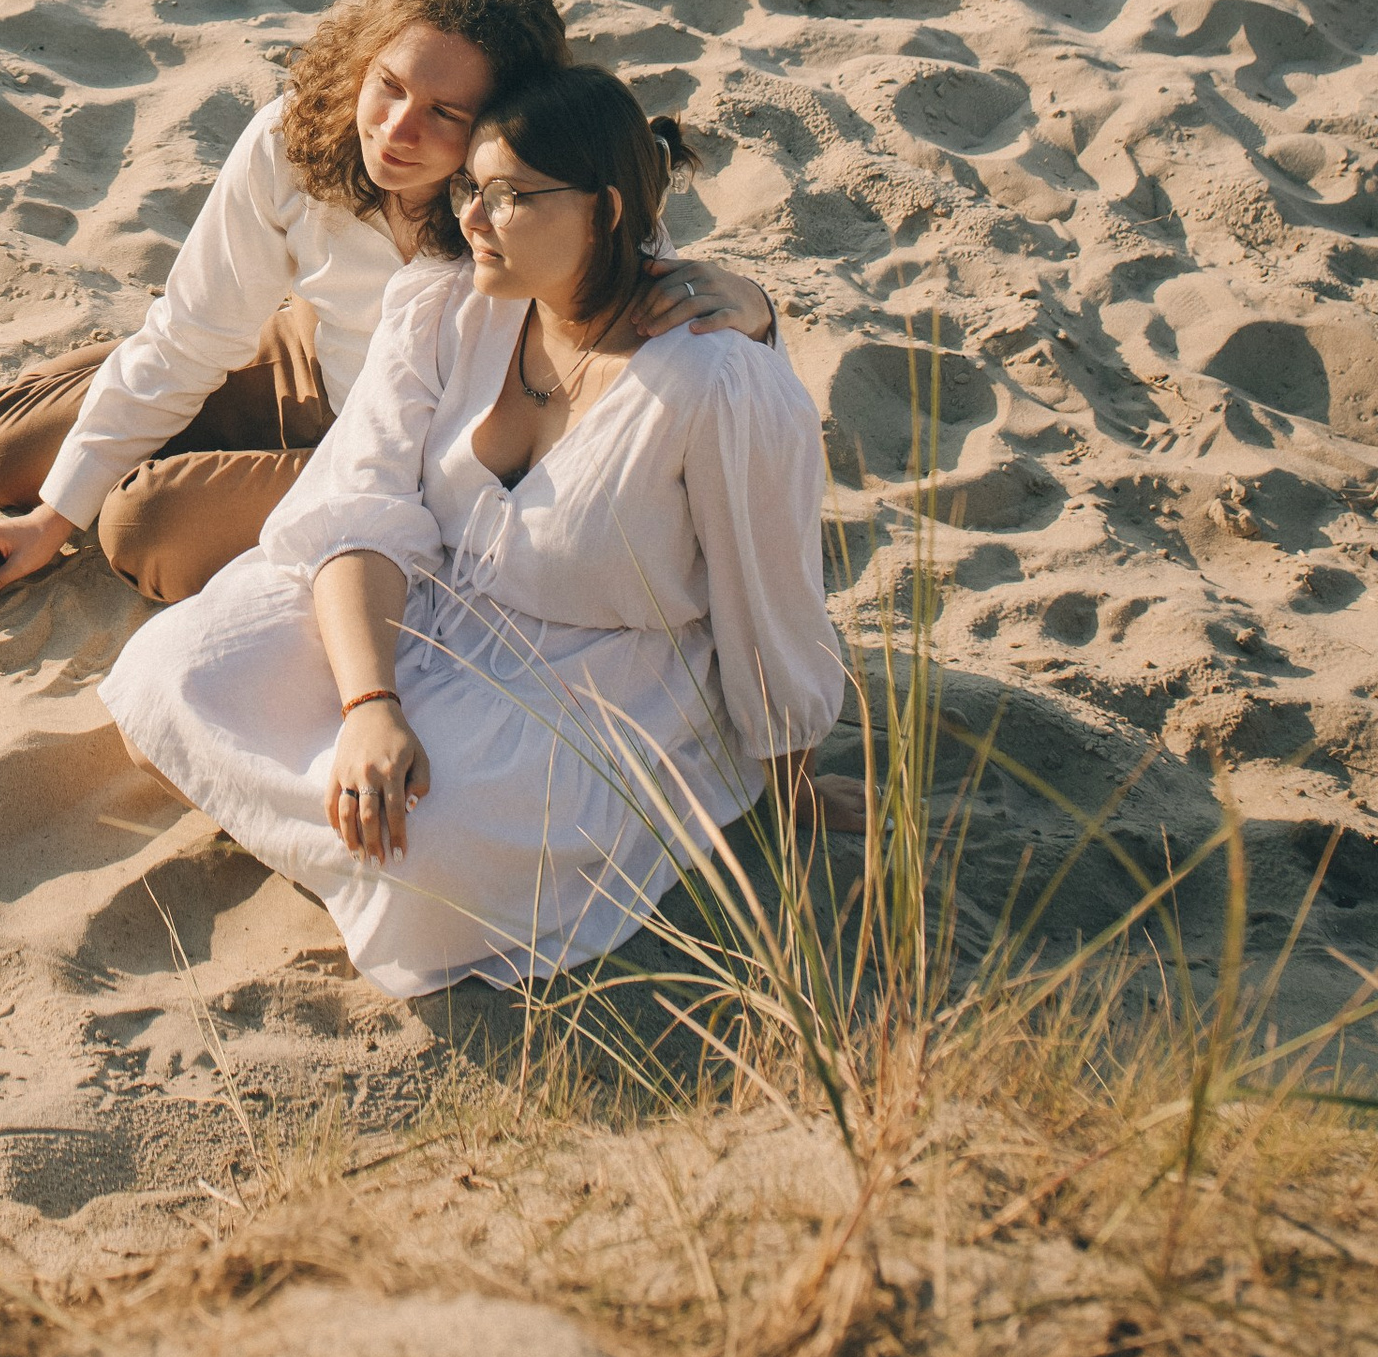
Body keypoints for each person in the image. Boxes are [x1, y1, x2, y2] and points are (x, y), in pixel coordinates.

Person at [98, 64, 849, 1001]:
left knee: (423, 852)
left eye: (507, 198)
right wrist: (370, 703)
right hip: (412, 606)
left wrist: (792, 785)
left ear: (606, 210)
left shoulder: (718, 381)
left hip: (591, 682)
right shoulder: (443, 304)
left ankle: (331, 844)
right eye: (468, 190)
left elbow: (769, 600)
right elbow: (357, 505)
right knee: (167, 676)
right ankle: (336, 839)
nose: (473, 219)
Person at [0, 0, 778, 614]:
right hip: (311, 357)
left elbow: (655, 328)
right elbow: (191, 334)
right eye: (390, 85)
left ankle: (190, 465)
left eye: (445, 114)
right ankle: (169, 443)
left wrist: (755, 311)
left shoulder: (540, 194)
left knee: (143, 528)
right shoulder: (292, 140)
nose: (396, 130)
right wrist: (51, 519)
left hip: (403, 452)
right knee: (2, 454)